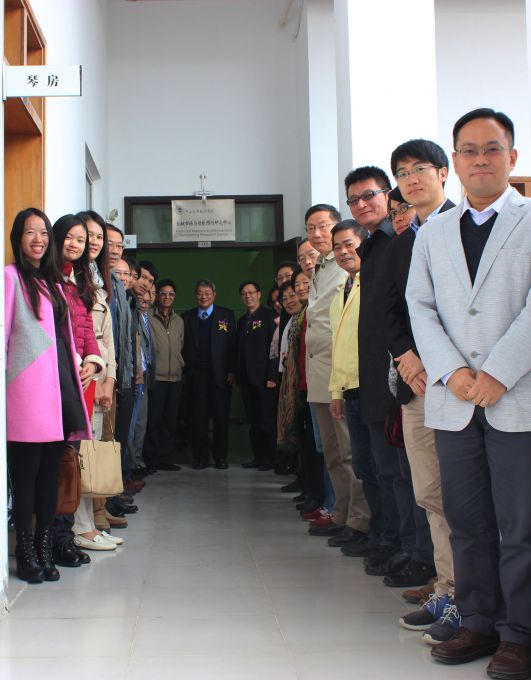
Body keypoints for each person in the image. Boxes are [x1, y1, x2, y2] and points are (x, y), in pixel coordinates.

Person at [407, 108, 531, 678]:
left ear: (512, 156)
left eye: (492, 148)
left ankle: (520, 632)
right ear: (455, 162)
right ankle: (478, 619)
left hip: (516, 395)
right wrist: (452, 371)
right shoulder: (433, 233)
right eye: (470, 150)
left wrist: (500, 371)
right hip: (454, 399)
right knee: (467, 519)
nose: (481, 159)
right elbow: (420, 306)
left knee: (520, 522)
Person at [387, 140, 457, 642]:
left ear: (443, 172)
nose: (412, 179)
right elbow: (390, 309)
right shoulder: (403, 241)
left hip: (458, 382)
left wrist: (433, 360)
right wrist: (405, 355)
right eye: (402, 172)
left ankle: (471, 596)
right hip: (414, 384)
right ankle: (448, 588)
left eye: (420, 169)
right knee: (430, 493)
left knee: (464, 496)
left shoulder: (464, 225)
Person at [345, 166, 429, 580]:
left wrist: (402, 364)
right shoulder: (374, 245)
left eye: (369, 195)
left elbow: (405, 314)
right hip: (376, 379)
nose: (362, 204)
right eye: (354, 200)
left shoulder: (401, 240)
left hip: (400, 376)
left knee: (408, 474)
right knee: (388, 471)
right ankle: (400, 544)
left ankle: (417, 554)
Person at [6, 208, 91, 583]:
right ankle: (25, 553)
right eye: (30, 232)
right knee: (25, 477)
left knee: (48, 477)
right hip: (25, 394)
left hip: (58, 391)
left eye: (43, 232)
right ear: (18, 238)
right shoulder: (10, 278)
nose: (38, 239)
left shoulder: (56, 284)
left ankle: (43, 548)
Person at [304, 203, 370, 544]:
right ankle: (341, 513)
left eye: (323, 226)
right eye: (310, 228)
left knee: (348, 453)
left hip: (341, 374)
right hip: (320, 376)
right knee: (332, 454)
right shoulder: (320, 267)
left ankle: (359, 519)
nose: (316, 234)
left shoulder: (346, 268)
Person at [51, 214, 105, 567]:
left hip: (79, 382)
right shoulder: (47, 279)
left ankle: (64, 536)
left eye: (81, 240)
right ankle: (53, 539)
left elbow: (86, 329)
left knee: (70, 462)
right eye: (69, 238)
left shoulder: (79, 282)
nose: (75, 244)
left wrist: (92, 362)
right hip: (53, 381)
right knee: (55, 463)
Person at [328, 219, 383, 557]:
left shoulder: (374, 283)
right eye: (337, 247)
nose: (343, 252)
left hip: (373, 389)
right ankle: (376, 533)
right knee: (363, 467)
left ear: (364, 243)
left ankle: (386, 536)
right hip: (349, 391)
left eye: (349, 244)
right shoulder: (342, 291)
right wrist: (336, 391)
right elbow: (339, 346)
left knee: (381, 468)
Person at [181, 279, 236, 469]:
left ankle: (221, 458)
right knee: (199, 420)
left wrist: (232, 370)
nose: (203, 296)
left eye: (207, 293)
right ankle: (200, 458)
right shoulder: (187, 317)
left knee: (221, 419)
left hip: (220, 377)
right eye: (200, 293)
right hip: (196, 378)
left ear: (214, 295)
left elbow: (232, 345)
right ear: (195, 295)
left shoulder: (226, 315)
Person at [142, 278, 184, 472]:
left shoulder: (179, 321)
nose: (167, 297)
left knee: (170, 421)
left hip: (175, 378)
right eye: (163, 294)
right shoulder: (148, 317)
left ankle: (165, 458)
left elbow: (180, 346)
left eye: (171, 294)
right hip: (155, 378)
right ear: (157, 295)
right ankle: (150, 460)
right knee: (154, 421)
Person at [236, 280, 277, 471]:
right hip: (246, 380)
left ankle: (270, 458)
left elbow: (274, 349)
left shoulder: (269, 317)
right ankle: (258, 457)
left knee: (266, 421)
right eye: (244, 293)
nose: (248, 296)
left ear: (259, 294)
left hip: (265, 380)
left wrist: (272, 376)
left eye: (251, 292)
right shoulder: (242, 321)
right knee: (253, 421)